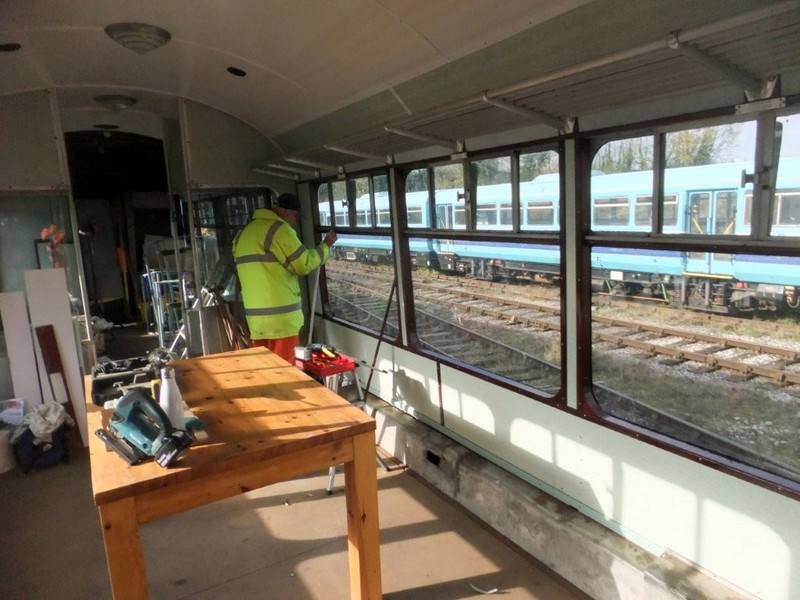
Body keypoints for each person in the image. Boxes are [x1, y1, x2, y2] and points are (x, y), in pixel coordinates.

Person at [232, 193, 337, 363]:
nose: (294, 223)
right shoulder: (279, 230)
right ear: (288, 212)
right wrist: (325, 247)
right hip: (281, 319)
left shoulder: (245, 233)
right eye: (295, 217)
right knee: (285, 371)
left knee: (265, 369)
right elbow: (303, 263)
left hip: (256, 320)